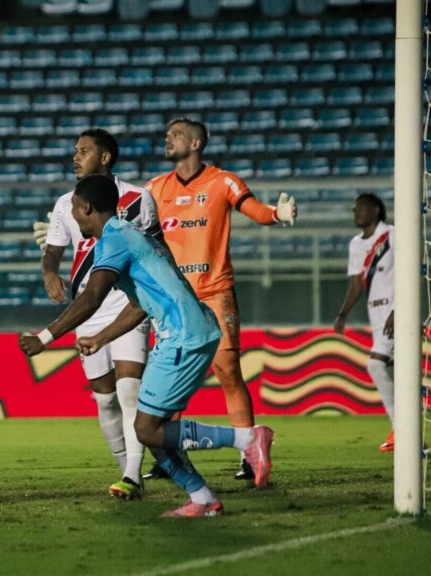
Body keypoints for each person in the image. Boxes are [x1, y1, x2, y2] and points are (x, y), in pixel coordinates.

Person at [20, 175, 274, 518]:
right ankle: (202, 499)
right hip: (187, 331)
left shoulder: (114, 240)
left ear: (86, 207)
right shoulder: (128, 235)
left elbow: (92, 296)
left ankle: (247, 440)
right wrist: (101, 337)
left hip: (184, 335)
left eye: (74, 210)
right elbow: (139, 305)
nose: (72, 217)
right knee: (152, 430)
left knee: (146, 429)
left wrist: (45, 337)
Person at [143, 117, 295, 479]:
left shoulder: (222, 181)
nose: (167, 139)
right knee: (171, 377)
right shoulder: (154, 188)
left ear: (196, 143)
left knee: (227, 371)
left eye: (176, 135)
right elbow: (123, 221)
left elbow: (254, 209)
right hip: (173, 300)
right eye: (167, 134)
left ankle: (249, 453)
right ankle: (169, 458)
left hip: (214, 291)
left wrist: (276, 214)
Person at [31, 129, 160, 500]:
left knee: (129, 390)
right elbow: (53, 250)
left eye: (84, 151)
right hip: (87, 309)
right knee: (105, 399)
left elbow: (157, 249)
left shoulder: (138, 198)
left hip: (127, 302)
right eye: (75, 151)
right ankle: (127, 469)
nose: (76, 157)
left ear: (105, 157)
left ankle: (133, 476)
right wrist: (49, 273)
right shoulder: (65, 203)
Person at [334, 193, 396, 453]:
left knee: (376, 365)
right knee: (397, 374)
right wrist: (343, 314)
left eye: (360, 208)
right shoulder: (356, 244)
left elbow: (412, 272)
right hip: (377, 315)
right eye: (354, 209)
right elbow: (356, 284)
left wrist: (400, 309)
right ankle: (410, 436)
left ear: (376, 210)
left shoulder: (393, 235)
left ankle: (401, 431)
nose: (355, 213)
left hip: (396, 313)